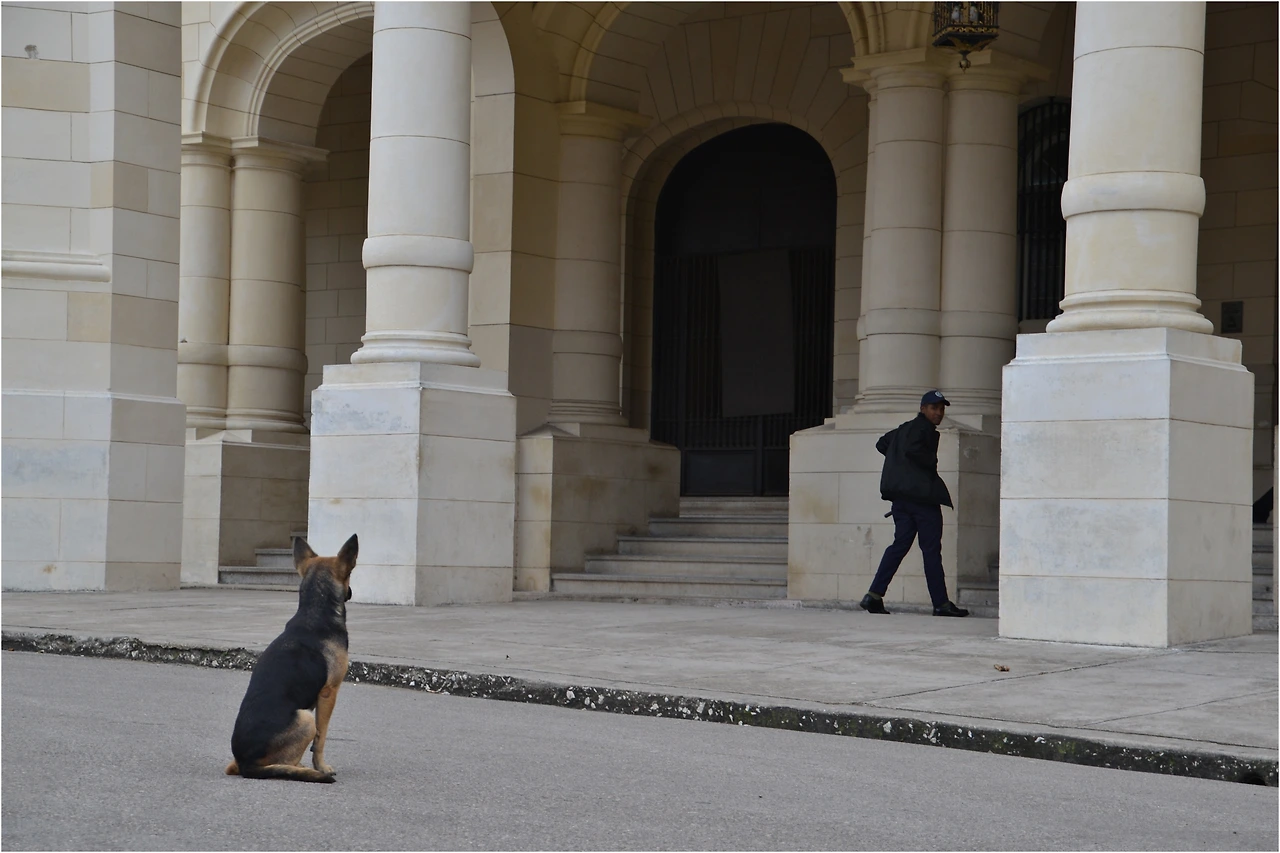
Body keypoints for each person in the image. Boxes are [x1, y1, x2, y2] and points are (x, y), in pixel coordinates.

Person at [859, 390, 969, 617]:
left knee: (899, 546)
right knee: (931, 550)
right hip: (922, 500)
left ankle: (874, 595)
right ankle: (941, 604)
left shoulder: (904, 429)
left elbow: (882, 444)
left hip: (902, 500)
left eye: (941, 409)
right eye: (934, 408)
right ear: (923, 409)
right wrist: (924, 462)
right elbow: (915, 452)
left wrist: (900, 465)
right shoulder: (924, 430)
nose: (938, 413)